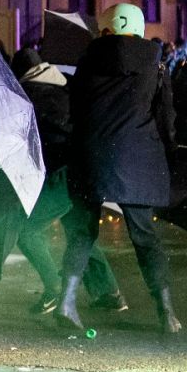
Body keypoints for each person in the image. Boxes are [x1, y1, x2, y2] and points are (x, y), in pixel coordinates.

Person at [55, 3, 181, 335]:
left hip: (91, 155)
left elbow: (73, 112)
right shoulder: (156, 66)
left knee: (83, 232)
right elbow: (167, 120)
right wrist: (167, 150)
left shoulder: (86, 64)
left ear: (106, 27)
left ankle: (67, 303)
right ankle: (166, 312)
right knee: (145, 238)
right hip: (138, 158)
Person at [11, 47, 126, 316]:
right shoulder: (66, 83)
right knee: (79, 232)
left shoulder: (31, 97)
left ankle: (52, 288)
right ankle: (108, 292)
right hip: (86, 168)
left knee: (25, 230)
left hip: (63, 173)